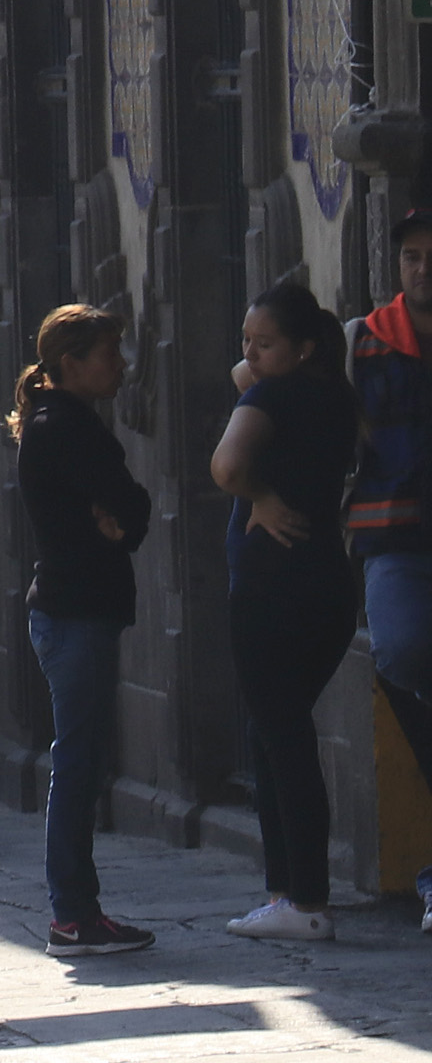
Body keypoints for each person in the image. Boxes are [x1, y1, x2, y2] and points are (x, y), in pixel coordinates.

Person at [212, 278, 361, 942]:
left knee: (283, 738)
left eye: (265, 342)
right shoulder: (334, 393)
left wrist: (259, 495)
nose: (250, 354)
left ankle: (303, 899)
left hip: (272, 586)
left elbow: (226, 466)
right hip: (329, 582)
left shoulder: (270, 396)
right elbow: (245, 373)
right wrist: (261, 357)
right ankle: (287, 895)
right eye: (247, 340)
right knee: (275, 733)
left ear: (301, 347)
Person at [9, 304, 154, 955]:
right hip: (73, 613)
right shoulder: (62, 426)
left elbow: (130, 511)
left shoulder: (64, 421)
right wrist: (120, 513)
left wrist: (124, 514)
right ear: (72, 365)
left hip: (75, 609)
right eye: (108, 355)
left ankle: (77, 909)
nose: (120, 366)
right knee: (77, 761)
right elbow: (129, 502)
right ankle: (72, 913)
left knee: (82, 757)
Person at [348, 205, 432, 933]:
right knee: (401, 648)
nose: (423, 269)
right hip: (395, 535)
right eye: (411, 256)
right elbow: (258, 377)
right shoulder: (364, 342)